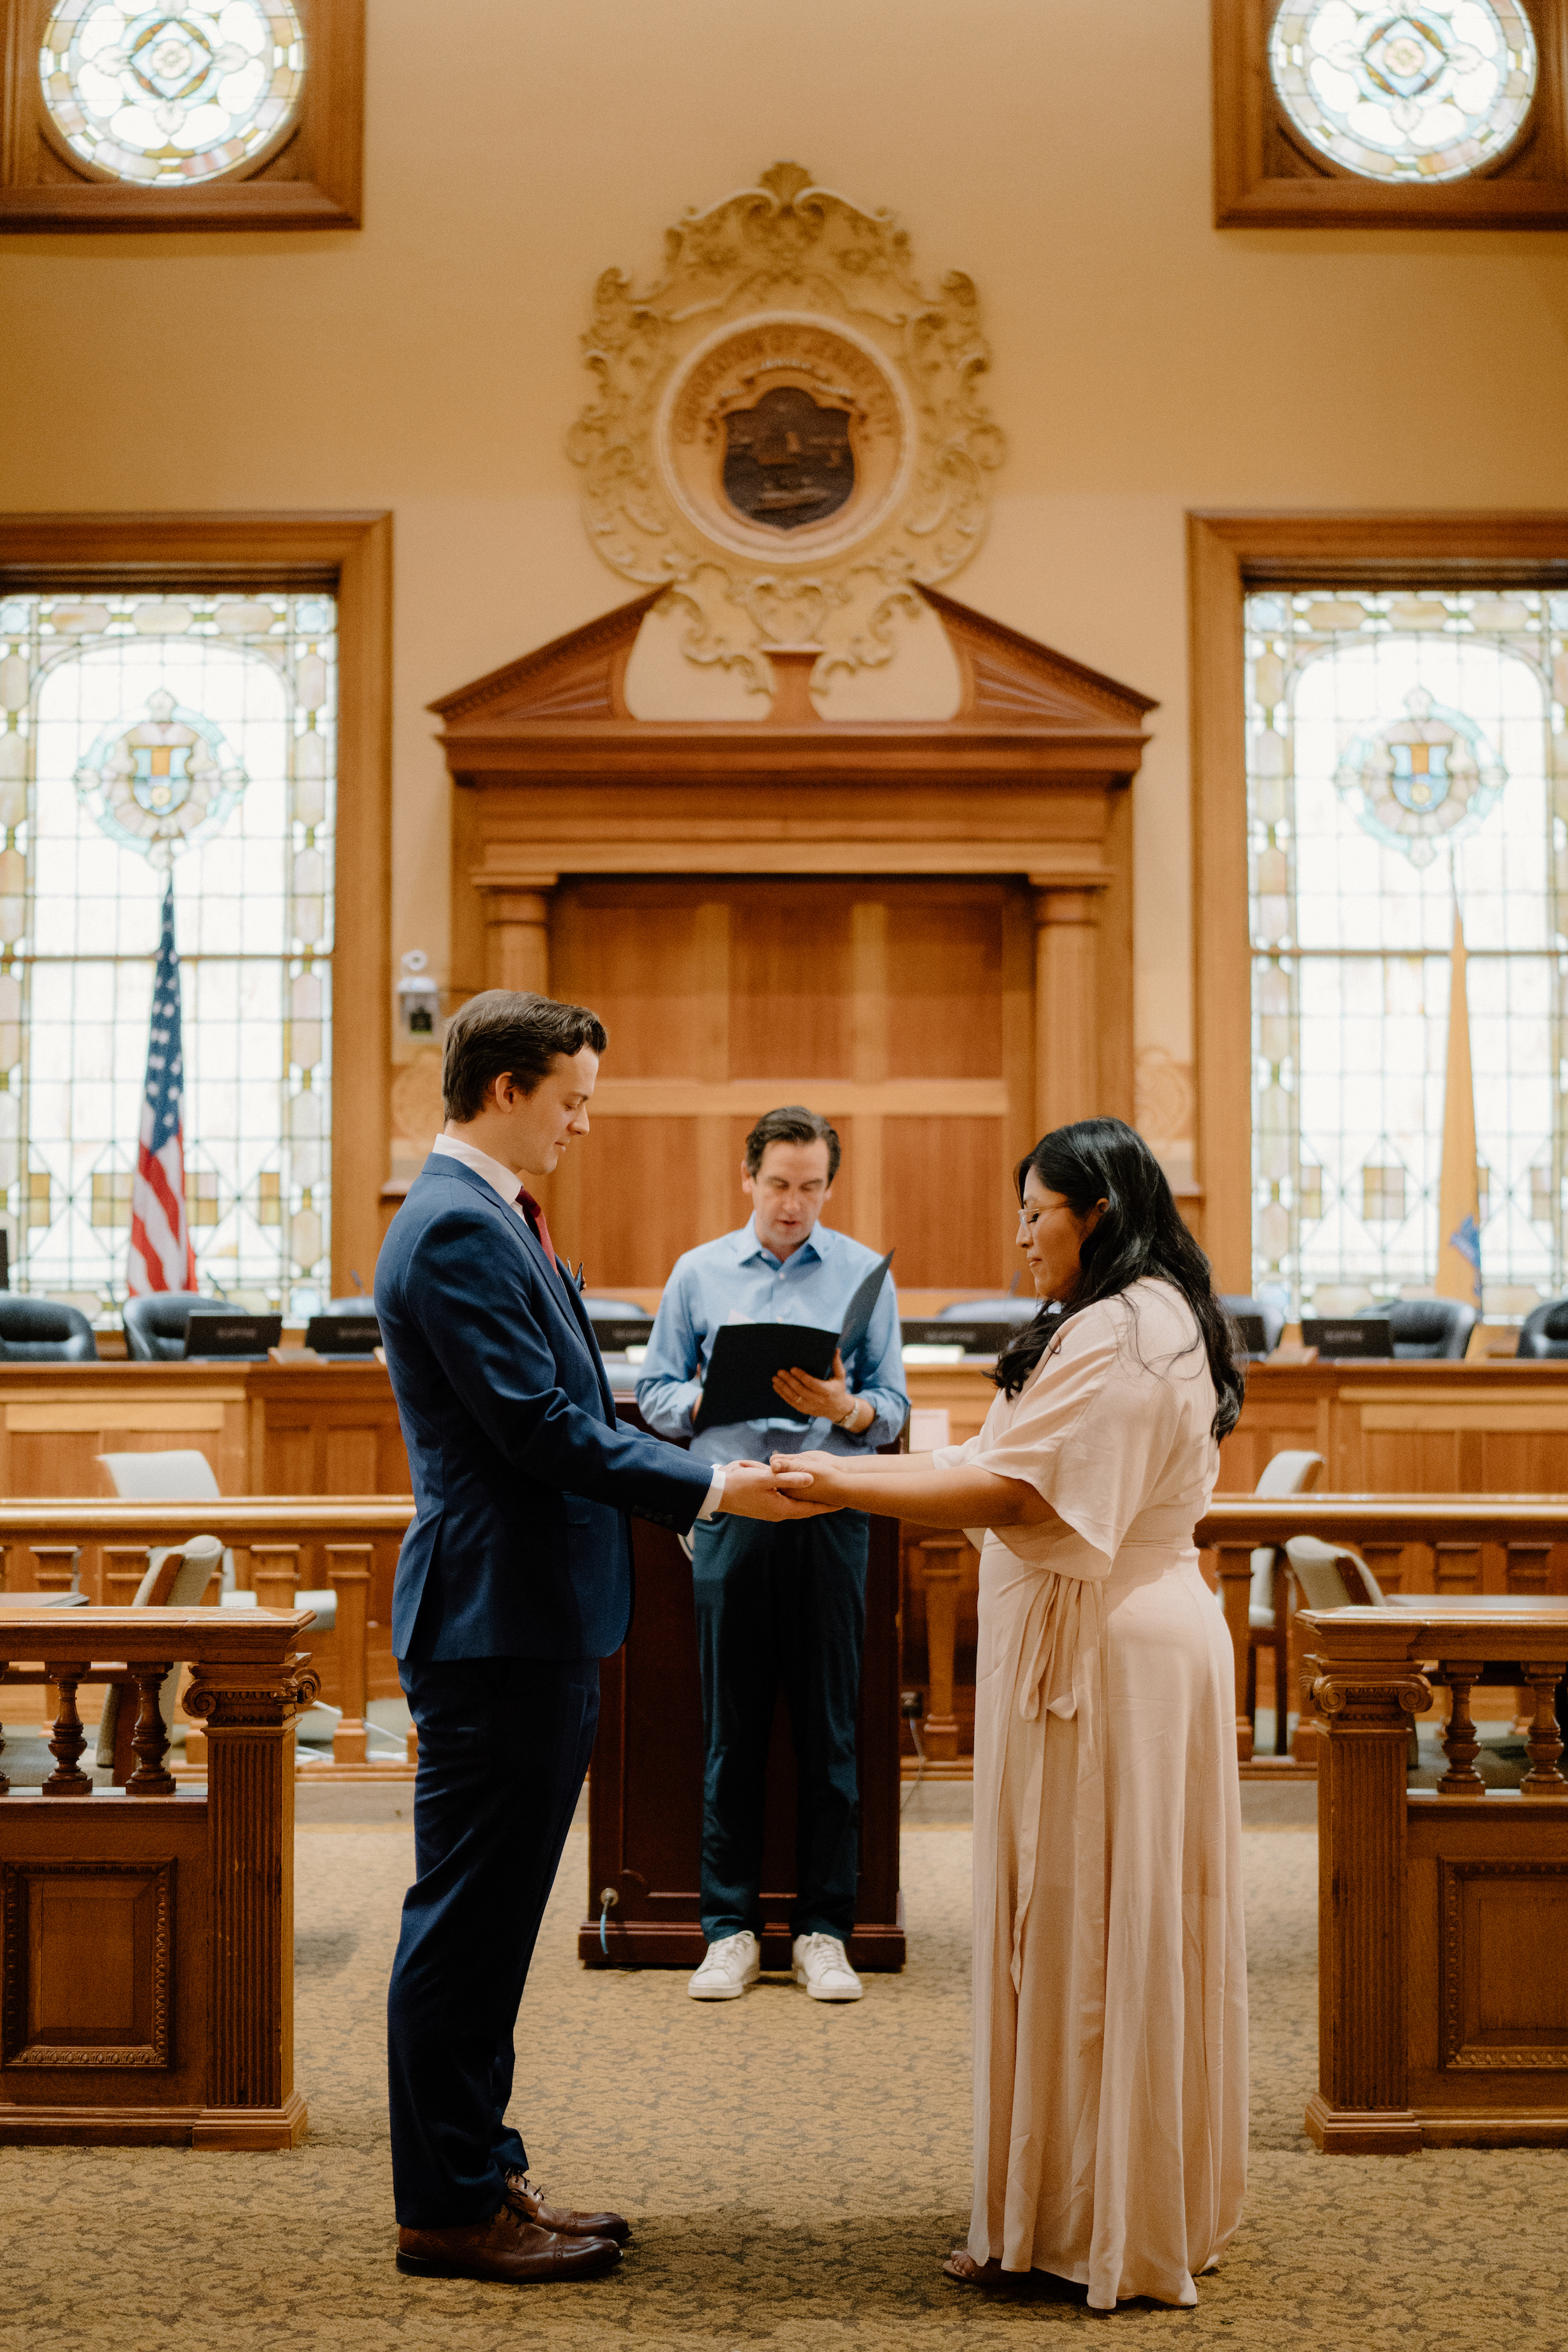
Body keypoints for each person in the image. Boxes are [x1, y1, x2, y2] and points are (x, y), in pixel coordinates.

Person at [376, 991, 813, 2288]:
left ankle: (480, 2167)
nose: (581, 1121)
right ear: (505, 1088)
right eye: (570, 1098)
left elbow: (572, 1396)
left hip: (534, 1610)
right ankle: (447, 2208)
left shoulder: (492, 1217)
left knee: (496, 1918)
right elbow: (537, 1430)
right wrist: (712, 1485)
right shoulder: (454, 1228)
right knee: (463, 1922)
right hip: (494, 1616)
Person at [773, 1118, 1248, 2310]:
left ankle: (1089, 2220)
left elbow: (1014, 1489)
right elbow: (991, 1451)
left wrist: (831, 1485)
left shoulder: (1126, 1329)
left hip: (1109, 1658)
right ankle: (1100, 2198)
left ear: (1096, 1212)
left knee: (1088, 1924)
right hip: (1119, 1641)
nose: (1022, 1234)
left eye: (1037, 1211)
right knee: (1085, 1919)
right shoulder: (1134, 1315)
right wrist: (842, 1460)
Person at [637, 1104, 908, 2004]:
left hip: (832, 1506)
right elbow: (654, 1394)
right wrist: (714, 1395)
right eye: (780, 1184)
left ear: (831, 1185)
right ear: (746, 1178)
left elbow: (892, 1408)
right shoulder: (698, 1273)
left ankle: (825, 1931)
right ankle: (731, 1931)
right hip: (733, 1508)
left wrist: (846, 1411)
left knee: (831, 1731)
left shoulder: (864, 1274)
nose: (794, 1204)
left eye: (812, 1187)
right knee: (733, 1732)